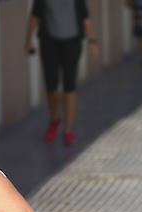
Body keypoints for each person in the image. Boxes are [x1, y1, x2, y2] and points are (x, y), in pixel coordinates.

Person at [25, 0, 99, 145]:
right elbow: (35, 15)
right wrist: (28, 40)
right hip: (49, 42)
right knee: (51, 86)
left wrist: (92, 40)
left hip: (72, 42)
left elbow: (84, 15)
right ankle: (54, 119)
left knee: (70, 85)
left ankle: (68, 129)